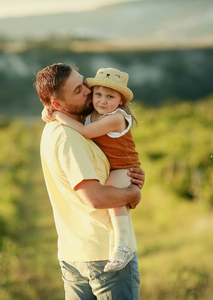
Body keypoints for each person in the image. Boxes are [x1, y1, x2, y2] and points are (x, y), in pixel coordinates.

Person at [35, 63, 144, 300]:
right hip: (104, 252)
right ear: (56, 105)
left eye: (83, 83)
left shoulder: (63, 127)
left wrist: (128, 173)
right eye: (77, 90)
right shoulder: (68, 136)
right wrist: (133, 194)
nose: (88, 91)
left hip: (73, 252)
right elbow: (96, 197)